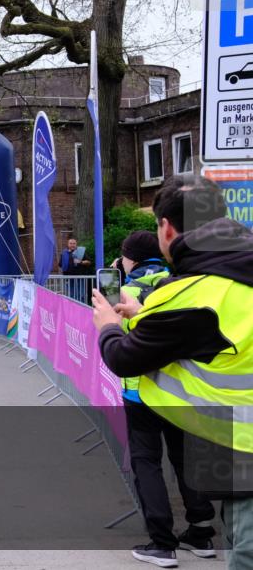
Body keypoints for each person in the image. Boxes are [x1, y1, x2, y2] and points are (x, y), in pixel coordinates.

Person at [93, 174, 252, 569]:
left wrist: (108, 326)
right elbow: (211, 330)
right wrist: (146, 313)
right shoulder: (232, 274)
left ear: (166, 228)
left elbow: (125, 358)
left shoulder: (185, 295)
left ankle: (165, 539)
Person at [108, 229, 218, 565]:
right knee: (185, 458)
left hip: (142, 390)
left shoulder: (125, 289)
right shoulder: (181, 282)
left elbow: (115, 335)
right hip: (181, 390)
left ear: (132, 259)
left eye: (124, 256)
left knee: (147, 462)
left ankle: (161, 542)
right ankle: (200, 534)